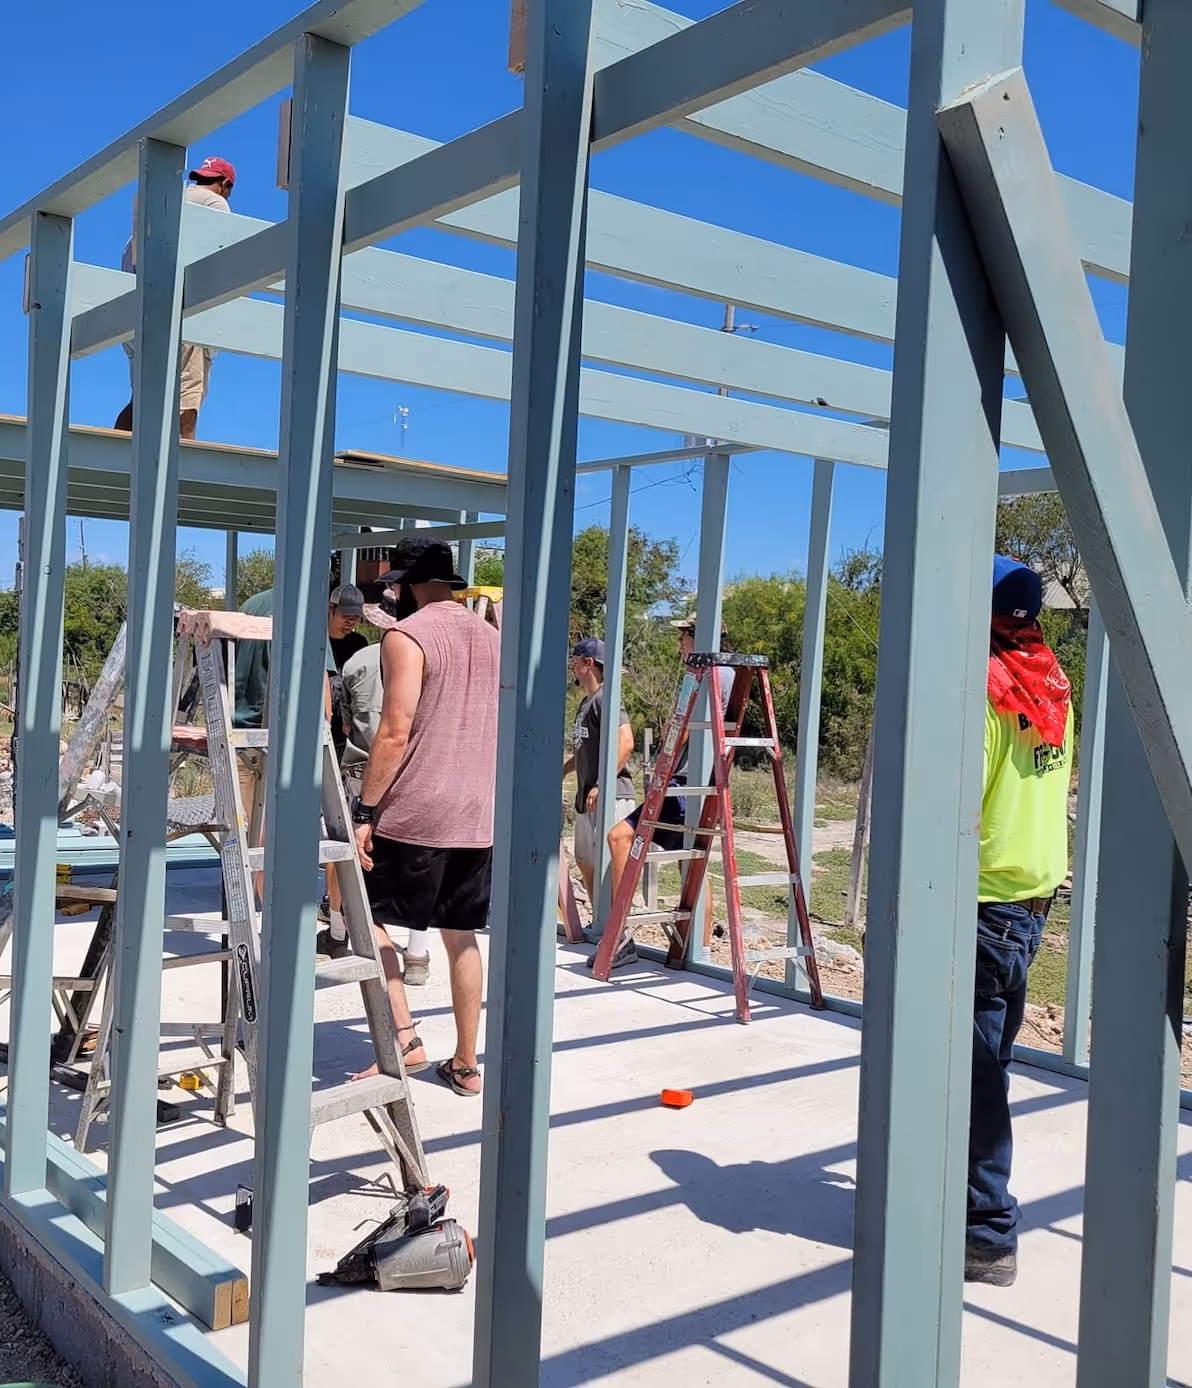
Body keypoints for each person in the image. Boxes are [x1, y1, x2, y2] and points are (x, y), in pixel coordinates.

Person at [351, 536, 499, 1096]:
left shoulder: (405, 635)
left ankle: (404, 1039)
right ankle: (465, 1064)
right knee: (461, 936)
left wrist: (366, 810)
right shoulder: (492, 637)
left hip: (415, 808)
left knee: (372, 921)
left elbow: (394, 729)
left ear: (409, 585)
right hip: (475, 811)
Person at [966, 556, 1073, 1288]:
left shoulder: (985, 689)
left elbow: (953, 802)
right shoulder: (1051, 683)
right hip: (1030, 907)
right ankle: (968, 1208)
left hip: (981, 905)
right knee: (986, 1069)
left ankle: (986, 1230)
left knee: (969, 1081)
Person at [231, 582, 364, 917]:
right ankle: (281, 923)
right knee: (281, 837)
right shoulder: (304, 614)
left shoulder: (251, 603)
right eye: (346, 615)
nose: (351, 623)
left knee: (252, 834)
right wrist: (324, 736)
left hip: (240, 733)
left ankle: (259, 913)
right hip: (282, 740)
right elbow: (323, 698)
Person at [605, 614, 730, 968]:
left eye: (683, 638)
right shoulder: (731, 674)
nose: (680, 645)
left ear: (698, 636)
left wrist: (666, 755)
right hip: (704, 787)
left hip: (682, 785)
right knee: (691, 868)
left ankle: (620, 938)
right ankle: (701, 951)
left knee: (619, 838)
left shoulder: (704, 674)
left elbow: (686, 728)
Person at [114, 157, 236, 440]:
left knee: (141, 398)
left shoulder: (163, 200)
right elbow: (223, 262)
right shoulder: (214, 203)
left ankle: (114, 463)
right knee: (186, 402)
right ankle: (181, 476)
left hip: (135, 313)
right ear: (225, 185)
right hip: (181, 312)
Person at [561, 638, 635, 910]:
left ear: (588, 664)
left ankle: (617, 928)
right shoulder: (586, 703)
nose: (572, 667)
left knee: (611, 863)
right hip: (588, 796)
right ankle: (600, 921)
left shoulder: (607, 698)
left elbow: (625, 742)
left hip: (610, 796)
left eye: (575, 661)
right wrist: (564, 771)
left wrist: (603, 784)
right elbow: (584, 751)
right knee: (586, 860)